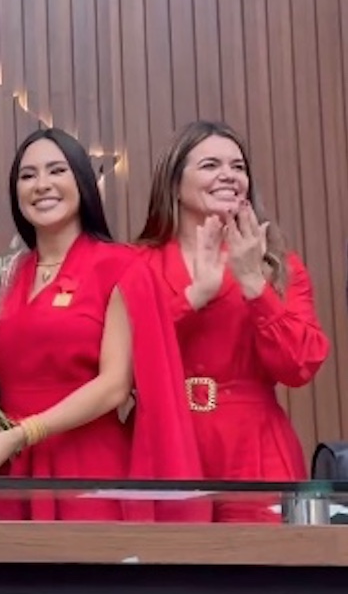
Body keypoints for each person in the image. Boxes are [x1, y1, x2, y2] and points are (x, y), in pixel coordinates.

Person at [0, 127, 207, 522]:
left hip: (87, 470)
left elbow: (114, 386)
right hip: (7, 468)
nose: (42, 184)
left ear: (83, 183)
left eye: (57, 171)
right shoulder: (3, 276)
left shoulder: (122, 266)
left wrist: (25, 433)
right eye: (28, 175)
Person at [136, 120, 329, 523]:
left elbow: (299, 365)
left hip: (256, 452)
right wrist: (194, 297)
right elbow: (121, 360)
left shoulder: (280, 265)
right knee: (163, 561)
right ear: (174, 183)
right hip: (165, 442)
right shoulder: (139, 265)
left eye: (237, 166)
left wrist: (254, 284)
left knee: (260, 562)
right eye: (210, 165)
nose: (228, 175)